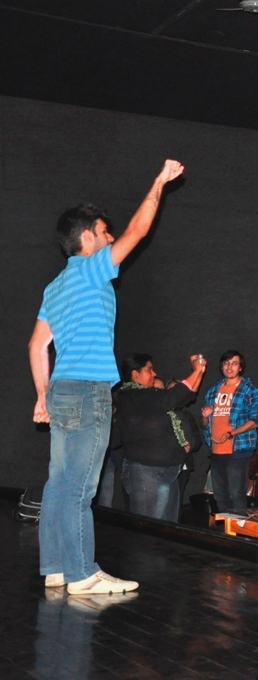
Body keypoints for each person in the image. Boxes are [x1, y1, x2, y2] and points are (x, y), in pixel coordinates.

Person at [28, 158, 184, 596]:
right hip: (87, 390)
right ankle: (81, 574)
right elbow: (137, 231)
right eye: (104, 231)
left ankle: (57, 567)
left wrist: (42, 396)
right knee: (80, 487)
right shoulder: (90, 268)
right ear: (87, 238)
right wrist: (158, 183)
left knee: (59, 483)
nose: (111, 237)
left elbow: (37, 345)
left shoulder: (55, 287)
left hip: (60, 391)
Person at [111, 353, 206, 522]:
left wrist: (200, 372)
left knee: (167, 528)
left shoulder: (146, 398)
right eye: (149, 369)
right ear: (135, 374)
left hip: (167, 472)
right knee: (148, 529)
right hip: (147, 473)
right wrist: (195, 370)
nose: (154, 374)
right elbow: (171, 397)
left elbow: (186, 396)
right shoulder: (132, 396)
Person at [200, 350, 258, 513]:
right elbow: (204, 425)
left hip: (238, 449)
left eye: (234, 363)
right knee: (220, 495)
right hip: (216, 450)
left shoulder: (250, 390)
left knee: (236, 494)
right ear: (221, 366)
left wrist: (231, 434)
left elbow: (254, 422)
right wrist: (204, 417)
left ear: (241, 367)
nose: (230, 367)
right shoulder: (213, 390)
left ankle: (239, 532)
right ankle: (226, 533)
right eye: (226, 363)